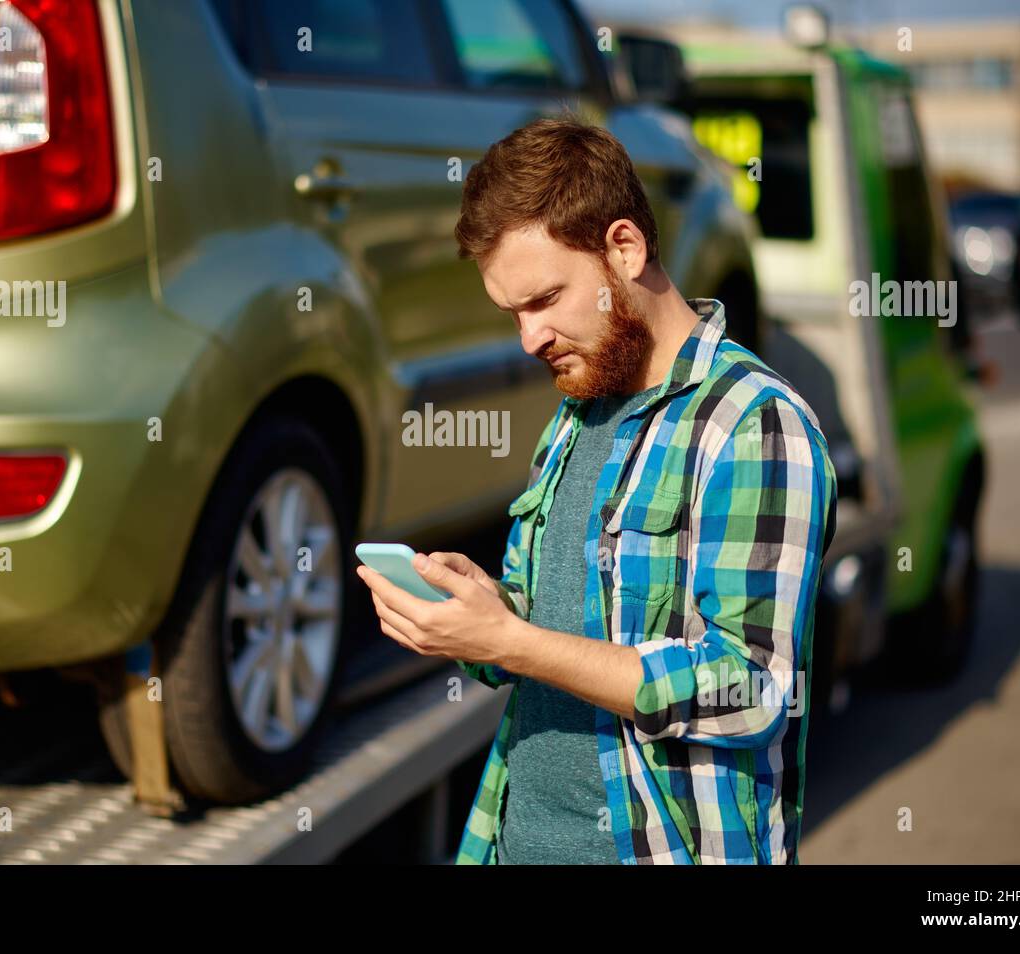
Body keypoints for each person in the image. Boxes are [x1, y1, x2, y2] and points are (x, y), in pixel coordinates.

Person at [356, 116, 837, 864]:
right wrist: (480, 616)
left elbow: (751, 693)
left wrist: (515, 642)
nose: (528, 338)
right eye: (513, 312)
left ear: (625, 247)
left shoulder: (755, 425)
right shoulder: (577, 414)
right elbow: (552, 635)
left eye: (545, 299)